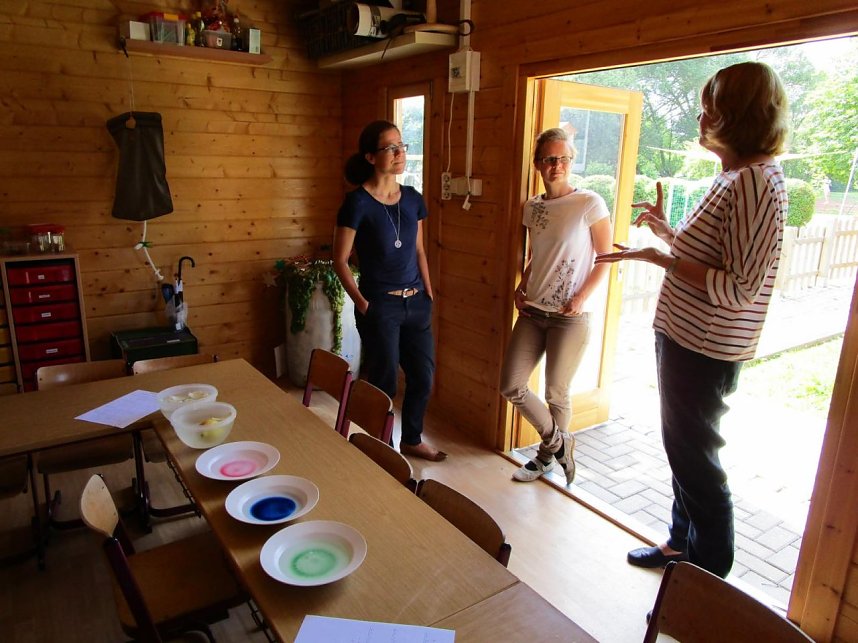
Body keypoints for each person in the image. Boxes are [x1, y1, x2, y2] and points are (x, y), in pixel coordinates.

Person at [595, 61, 789, 578]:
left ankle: (705, 586)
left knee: (696, 459)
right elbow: (710, 254)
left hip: (705, 347)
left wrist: (663, 260)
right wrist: (666, 232)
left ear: (740, 116)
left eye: (711, 110)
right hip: (685, 338)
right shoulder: (733, 176)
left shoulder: (755, 182)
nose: (701, 119)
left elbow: (740, 286)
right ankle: (680, 544)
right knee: (682, 449)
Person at [500, 127, 613, 484]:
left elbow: (605, 258)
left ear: (571, 161)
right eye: (550, 159)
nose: (557, 165)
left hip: (569, 317)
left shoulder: (589, 203)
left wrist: (581, 297)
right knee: (511, 385)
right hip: (532, 311)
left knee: (556, 392)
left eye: (564, 158)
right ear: (538, 164)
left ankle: (545, 458)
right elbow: (539, 254)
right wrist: (522, 283)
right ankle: (561, 443)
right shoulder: (532, 207)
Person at [333, 120, 446, 461]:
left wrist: (428, 292)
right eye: (390, 148)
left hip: (416, 304)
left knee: (423, 378)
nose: (400, 153)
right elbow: (340, 260)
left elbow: (419, 250)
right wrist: (363, 304)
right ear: (370, 156)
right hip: (380, 306)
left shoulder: (412, 199)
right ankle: (381, 448)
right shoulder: (356, 203)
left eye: (402, 145)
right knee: (384, 384)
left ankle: (411, 439)